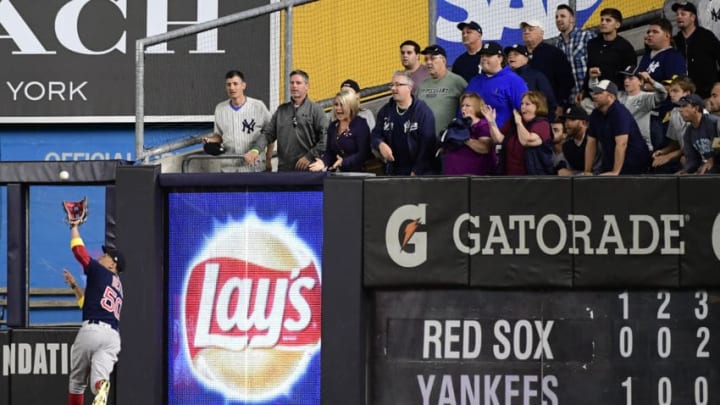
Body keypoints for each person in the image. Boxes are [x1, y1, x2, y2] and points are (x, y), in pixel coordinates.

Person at [67, 221, 125, 405]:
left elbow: (80, 253)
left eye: (107, 255)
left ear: (112, 265)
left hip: (93, 330)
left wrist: (73, 227)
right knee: (98, 381)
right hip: (112, 338)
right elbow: (86, 303)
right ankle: (101, 388)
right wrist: (75, 286)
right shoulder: (119, 287)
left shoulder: (100, 271)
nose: (102, 256)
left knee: (77, 384)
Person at [245, 70, 328, 171]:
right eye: (292, 83)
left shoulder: (316, 110)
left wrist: (309, 156)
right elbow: (268, 134)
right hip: (284, 171)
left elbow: (325, 139)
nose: (294, 86)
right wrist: (256, 149)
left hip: (309, 171)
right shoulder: (281, 110)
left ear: (307, 86)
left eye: (298, 83)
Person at [203, 70, 272, 172]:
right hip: (228, 168)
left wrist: (268, 159)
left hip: (254, 167)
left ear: (243, 85)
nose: (232, 88)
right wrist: (210, 140)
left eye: (235, 84)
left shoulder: (258, 106)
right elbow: (219, 135)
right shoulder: (220, 108)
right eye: (228, 84)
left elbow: (270, 133)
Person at [371, 71, 436, 175]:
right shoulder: (385, 111)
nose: (393, 88)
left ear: (409, 88)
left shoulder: (422, 111)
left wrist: (416, 171)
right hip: (394, 171)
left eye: (398, 85)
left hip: (419, 172)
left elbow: (428, 145)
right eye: (392, 85)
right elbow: (375, 135)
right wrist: (380, 144)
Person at [637, 17, 687, 151]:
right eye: (648, 32)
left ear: (667, 35)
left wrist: (644, 87)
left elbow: (674, 88)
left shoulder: (673, 57)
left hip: (663, 115)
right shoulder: (646, 57)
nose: (649, 34)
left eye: (654, 31)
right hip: (644, 114)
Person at [592, 65, 667, 151]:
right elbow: (598, 94)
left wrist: (651, 81)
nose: (626, 81)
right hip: (618, 141)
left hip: (639, 145)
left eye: (631, 78)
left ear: (640, 81)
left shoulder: (646, 97)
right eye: (625, 78)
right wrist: (593, 79)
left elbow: (663, 94)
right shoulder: (618, 95)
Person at [585, 80, 651, 175]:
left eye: (599, 93)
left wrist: (615, 172)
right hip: (610, 163)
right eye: (594, 93)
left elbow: (622, 144)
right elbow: (591, 143)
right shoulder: (596, 114)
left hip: (634, 165)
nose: (594, 96)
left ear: (611, 96)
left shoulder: (619, 113)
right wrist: (587, 171)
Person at [483, 90, 554, 175]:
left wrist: (519, 123)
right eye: (522, 104)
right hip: (509, 176)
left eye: (527, 104)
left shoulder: (542, 124)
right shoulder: (513, 122)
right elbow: (499, 139)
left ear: (538, 107)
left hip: (533, 179)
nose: (523, 107)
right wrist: (491, 122)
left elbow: (527, 141)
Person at [465, 41, 528, 132]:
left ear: (500, 58)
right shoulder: (474, 81)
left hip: (501, 137)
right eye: (482, 56)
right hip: (473, 136)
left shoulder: (514, 81)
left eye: (489, 56)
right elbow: (462, 109)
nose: (484, 59)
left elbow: (523, 111)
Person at [582, 8, 637, 110]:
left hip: (616, 95)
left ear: (617, 25)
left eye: (608, 20)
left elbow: (630, 74)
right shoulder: (592, 44)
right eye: (602, 20)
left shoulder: (625, 47)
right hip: (594, 93)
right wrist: (584, 91)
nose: (603, 23)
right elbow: (588, 68)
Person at [309, 90, 370, 172]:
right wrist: (323, 162)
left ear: (351, 106)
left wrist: (344, 162)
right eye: (336, 104)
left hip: (359, 174)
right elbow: (329, 152)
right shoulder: (333, 126)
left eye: (342, 105)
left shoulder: (360, 124)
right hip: (340, 175)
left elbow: (364, 153)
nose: (338, 108)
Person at [521, 19, 574, 115]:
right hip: (524, 108)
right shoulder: (518, 54)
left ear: (541, 33)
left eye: (531, 29)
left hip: (548, 108)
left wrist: (560, 104)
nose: (526, 32)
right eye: (524, 30)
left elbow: (566, 81)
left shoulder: (554, 53)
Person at [417, 44, 468, 137]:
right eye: (426, 59)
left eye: (432, 58)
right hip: (423, 141)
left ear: (443, 60)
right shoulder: (422, 85)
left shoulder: (457, 81)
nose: (428, 62)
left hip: (447, 140)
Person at [672, 1, 720, 98]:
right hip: (683, 97)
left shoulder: (706, 36)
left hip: (706, 95)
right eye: (677, 15)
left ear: (693, 17)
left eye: (683, 14)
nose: (679, 17)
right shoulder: (674, 42)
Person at [443, 92, 497, 175]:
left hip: (474, 179)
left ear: (477, 108)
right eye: (462, 106)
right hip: (453, 176)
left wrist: (465, 138)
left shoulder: (483, 125)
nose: (463, 109)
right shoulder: (457, 124)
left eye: (467, 106)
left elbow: (485, 148)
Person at [651, 75, 697, 171]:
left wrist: (668, 157)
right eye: (670, 90)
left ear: (687, 93)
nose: (671, 94)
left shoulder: (696, 111)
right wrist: (664, 152)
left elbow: (694, 145)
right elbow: (676, 142)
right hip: (684, 156)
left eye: (675, 91)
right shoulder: (674, 112)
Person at [552, 4, 596, 102]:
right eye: (556, 17)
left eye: (562, 16)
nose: (558, 19)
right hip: (572, 100)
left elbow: (597, 64)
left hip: (592, 96)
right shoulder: (557, 45)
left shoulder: (586, 36)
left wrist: (587, 91)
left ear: (572, 19)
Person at [504, 44, 558, 121]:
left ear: (526, 58)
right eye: (509, 55)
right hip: (510, 121)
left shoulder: (536, 76)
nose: (511, 57)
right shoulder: (505, 78)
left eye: (516, 54)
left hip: (533, 122)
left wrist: (545, 122)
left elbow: (549, 101)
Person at [675, 94, 719, 173]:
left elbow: (719, 143)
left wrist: (711, 159)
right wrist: (687, 170)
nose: (680, 110)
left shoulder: (713, 122)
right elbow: (692, 159)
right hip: (708, 166)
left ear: (696, 108)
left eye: (684, 106)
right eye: (680, 107)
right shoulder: (688, 132)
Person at [560, 104, 598, 175]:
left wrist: (574, 174)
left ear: (584, 123)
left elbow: (597, 171)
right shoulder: (567, 145)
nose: (567, 123)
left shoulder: (595, 141)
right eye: (566, 120)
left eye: (572, 119)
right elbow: (569, 171)